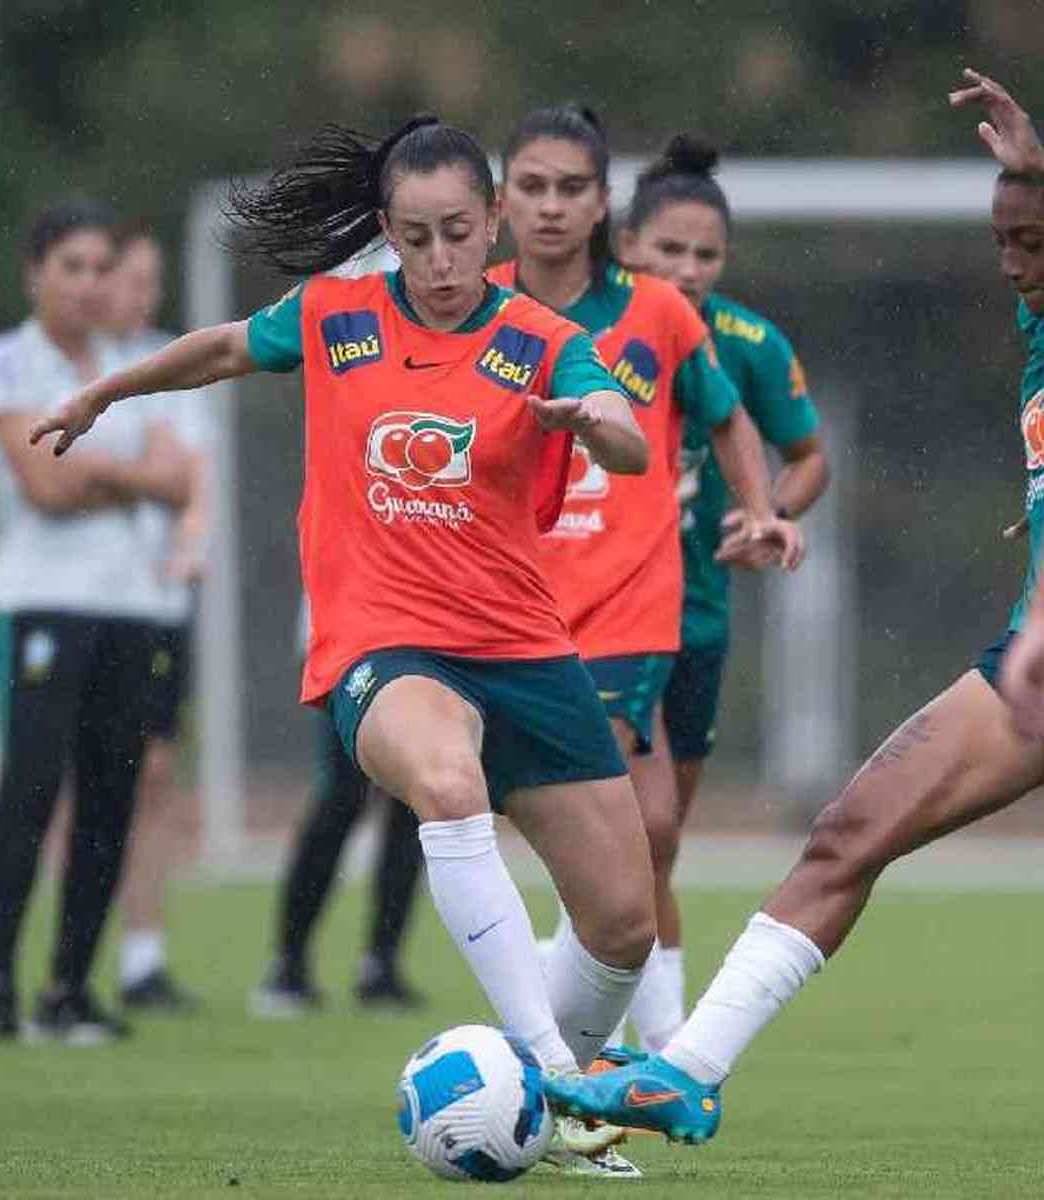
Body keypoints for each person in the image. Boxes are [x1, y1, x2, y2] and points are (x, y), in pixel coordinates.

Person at [31, 116, 663, 1176]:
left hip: (523, 648)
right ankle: (557, 1078)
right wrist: (107, 390)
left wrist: (594, 424)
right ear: (387, 231)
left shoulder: (542, 340)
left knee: (622, 923)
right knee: (449, 783)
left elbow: (626, 431)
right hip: (386, 647)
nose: (441, 258)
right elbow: (228, 346)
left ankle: (539, 1096)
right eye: (416, 237)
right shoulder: (335, 318)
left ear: (494, 220)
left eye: (460, 231)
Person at [542, 68, 1044, 1142]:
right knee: (849, 831)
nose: (1013, 264)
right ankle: (685, 1069)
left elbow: (787, 451)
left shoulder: (741, 346)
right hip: (1027, 656)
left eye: (1031, 243)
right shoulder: (1038, 327)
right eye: (1003, 242)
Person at [490, 106, 804, 1063]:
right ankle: (576, 1038)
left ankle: (596, 1041)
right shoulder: (481, 304)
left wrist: (758, 507)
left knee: (652, 827)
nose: (550, 206)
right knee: (593, 838)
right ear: (502, 200)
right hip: (514, 606)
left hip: (632, 603)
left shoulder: (658, 313)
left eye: (570, 188)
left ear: (601, 208)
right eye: (532, 187)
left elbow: (729, 418)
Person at [605, 134, 829, 1050]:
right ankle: (640, 1039)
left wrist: (765, 509)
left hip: (697, 617)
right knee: (633, 828)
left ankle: (624, 1019)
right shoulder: (585, 333)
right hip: (601, 616)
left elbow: (809, 459)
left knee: (659, 841)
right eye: (670, 250)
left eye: (706, 255)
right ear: (627, 246)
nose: (688, 270)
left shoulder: (744, 343)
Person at [0, 201, 195, 1043]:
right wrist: (131, 472)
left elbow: (178, 479)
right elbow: (44, 487)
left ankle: (67, 991)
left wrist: (105, 469)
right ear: (36, 274)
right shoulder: (9, 363)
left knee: (110, 800)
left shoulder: (133, 367)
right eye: (74, 266)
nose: (91, 283)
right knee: (29, 793)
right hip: (41, 603)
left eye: (103, 266)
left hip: (130, 609)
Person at [100, 223, 209, 1011]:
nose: (148, 294)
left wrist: (141, 480)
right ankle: (28, 952)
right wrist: (150, 474)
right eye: (133, 278)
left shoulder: (174, 360)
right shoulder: (62, 369)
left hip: (162, 608)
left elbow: (189, 479)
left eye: (153, 280)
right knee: (65, 784)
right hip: (77, 607)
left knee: (154, 777)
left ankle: (142, 958)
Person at [251, 594, 424, 1015]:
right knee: (342, 800)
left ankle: (381, 963)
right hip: (348, 640)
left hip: (421, 638)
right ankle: (289, 960)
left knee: (412, 800)